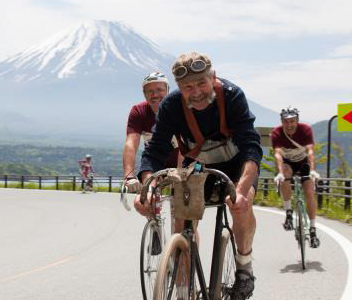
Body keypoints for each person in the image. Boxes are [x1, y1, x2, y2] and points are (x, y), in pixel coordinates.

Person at [134, 51, 262, 300]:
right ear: (179, 88)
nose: (196, 92)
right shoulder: (171, 106)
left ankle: (244, 269)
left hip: (237, 165)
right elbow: (155, 149)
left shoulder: (232, 96)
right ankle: (184, 289)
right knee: (182, 221)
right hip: (198, 167)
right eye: (187, 87)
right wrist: (147, 187)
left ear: (213, 76)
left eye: (201, 83)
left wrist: (242, 190)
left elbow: (251, 147)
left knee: (241, 207)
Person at [271, 107, 321, 248]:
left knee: (309, 192)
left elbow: (310, 151)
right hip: (288, 164)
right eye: (286, 121)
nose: (289, 124)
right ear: (282, 122)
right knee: (285, 175)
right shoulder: (277, 133)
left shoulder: (305, 130)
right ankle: (288, 213)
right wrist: (280, 173)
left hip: (304, 163)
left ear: (297, 121)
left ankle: (312, 229)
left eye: (292, 121)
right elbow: (278, 154)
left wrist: (312, 170)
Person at [122, 71, 180, 191]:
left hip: (181, 161)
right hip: (155, 161)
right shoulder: (139, 111)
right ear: (144, 94)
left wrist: (180, 172)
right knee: (148, 193)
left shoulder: (179, 108)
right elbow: (131, 144)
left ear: (168, 90)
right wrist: (129, 176)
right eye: (150, 91)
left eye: (159, 90)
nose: (155, 95)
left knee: (181, 201)